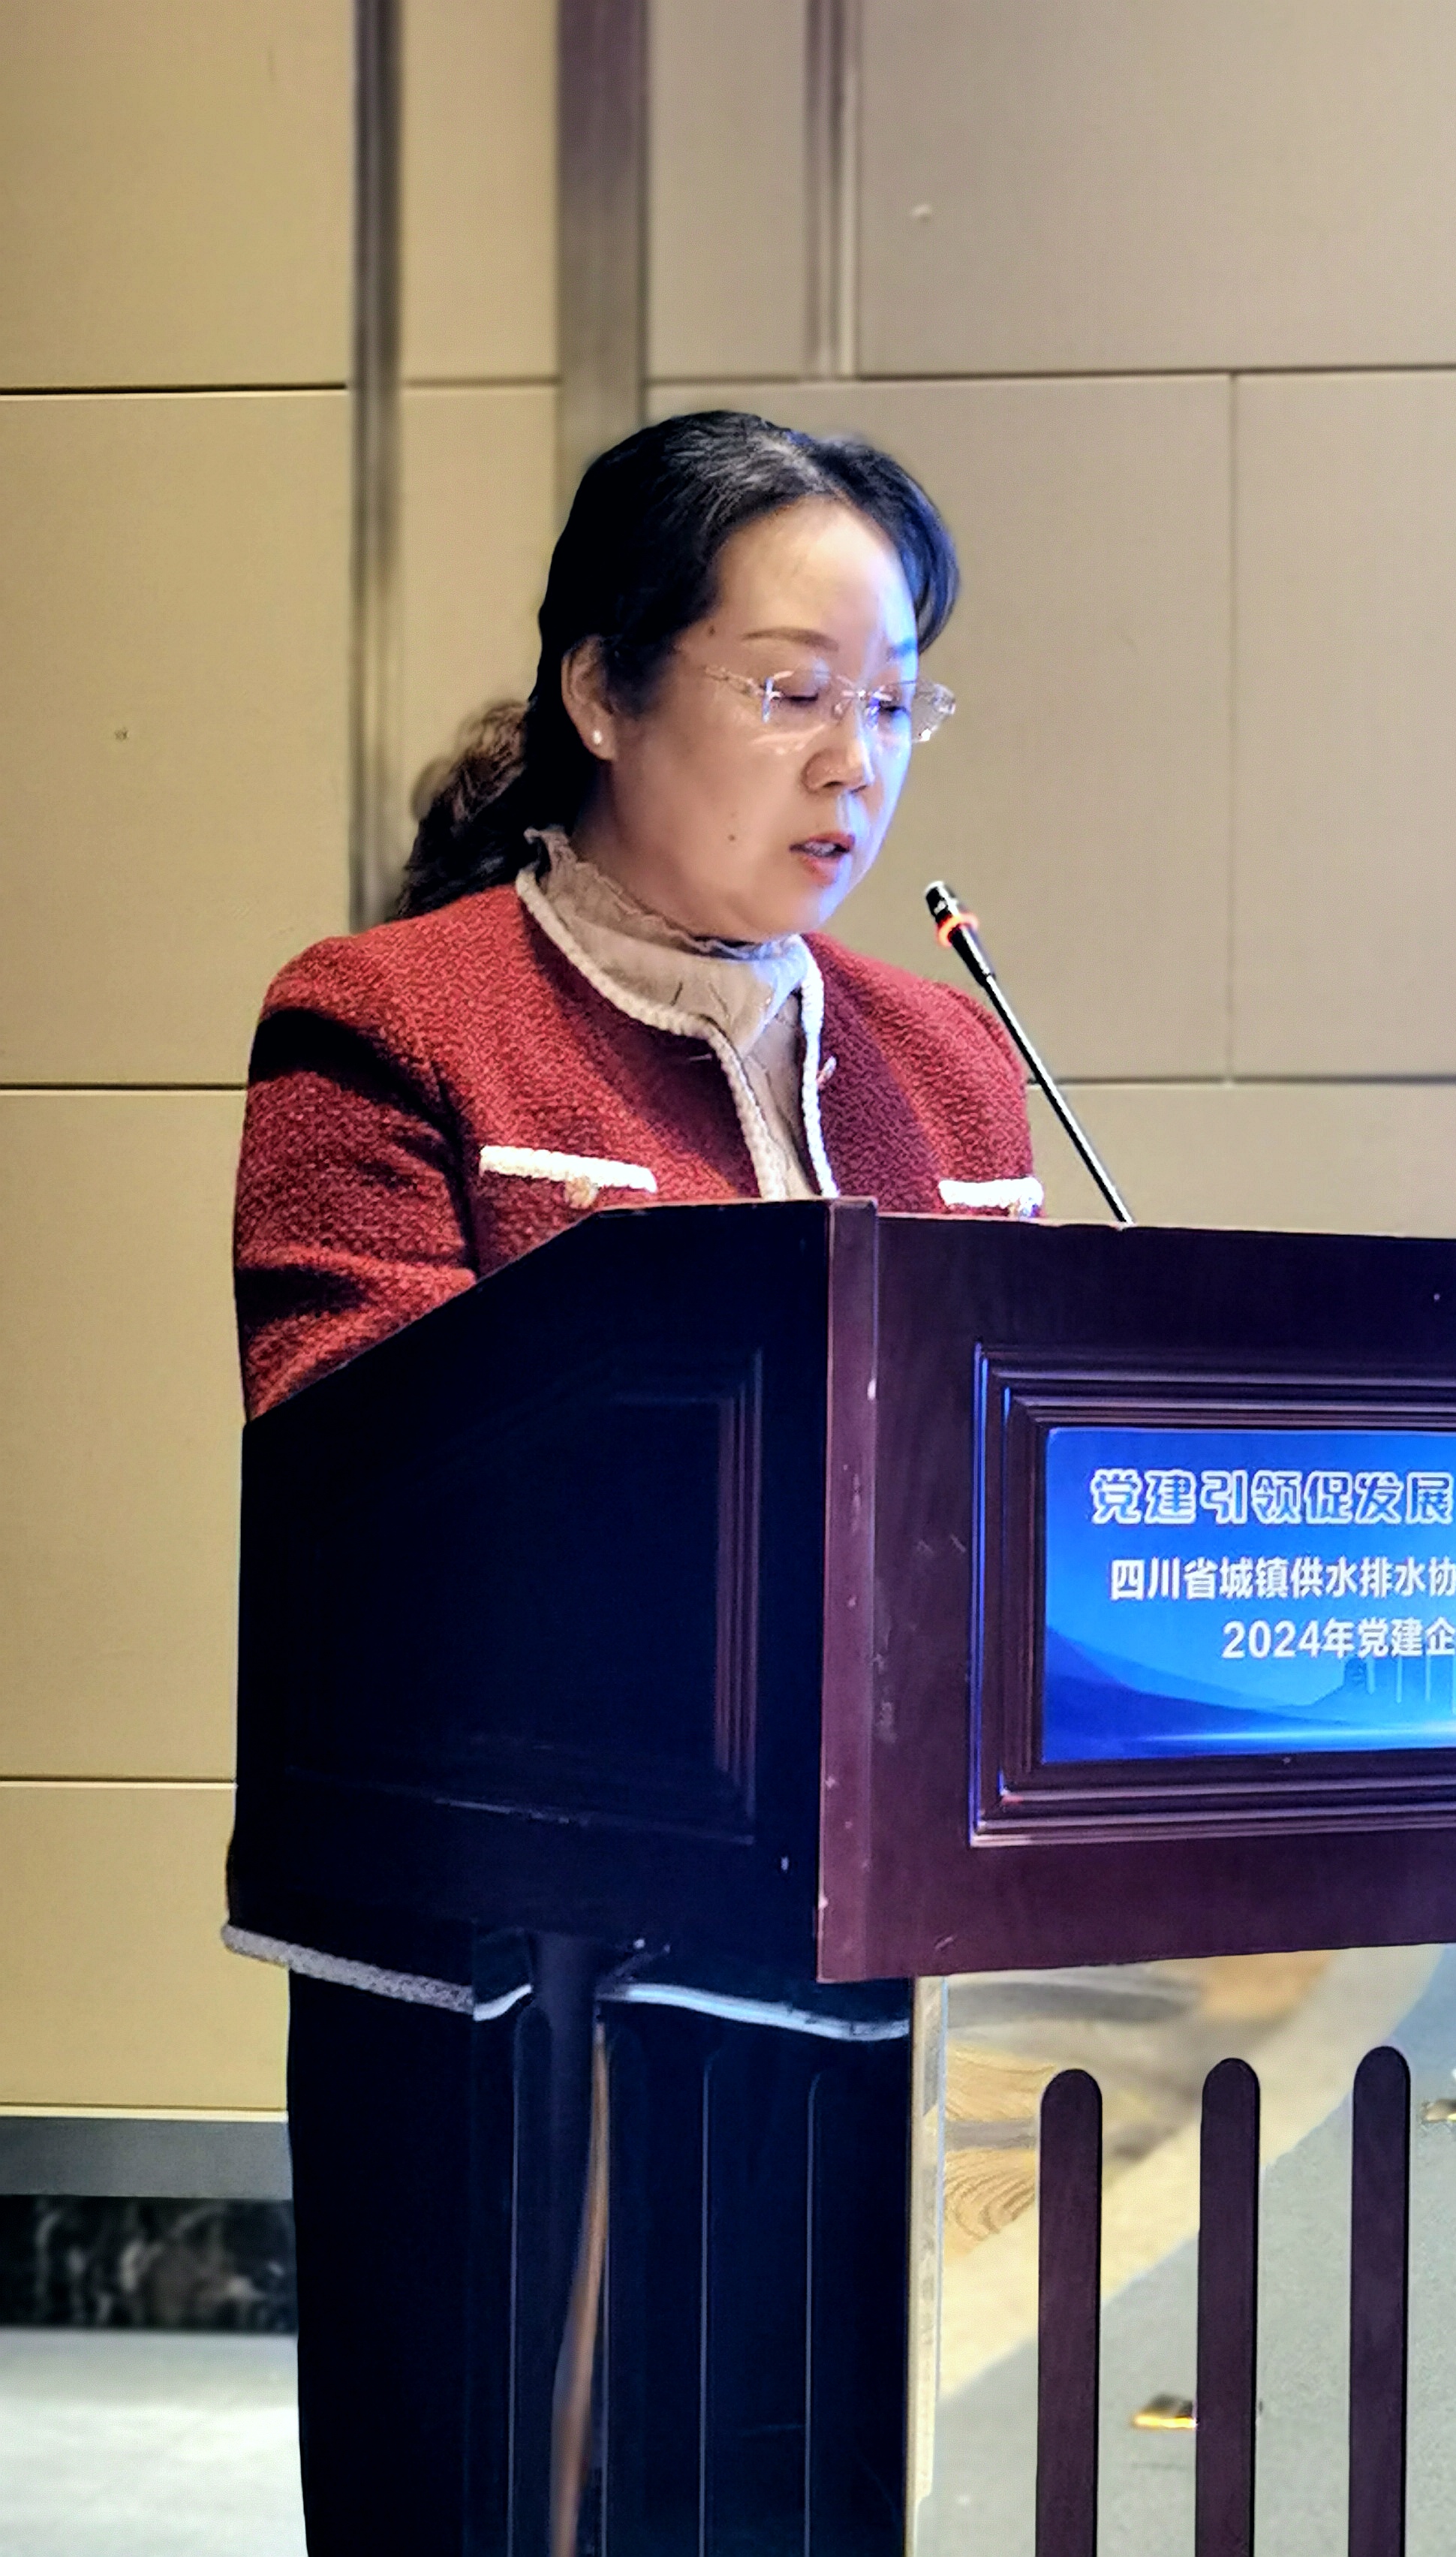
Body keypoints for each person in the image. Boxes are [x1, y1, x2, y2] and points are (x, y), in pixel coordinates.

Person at [229, 410, 1039, 2548]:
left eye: (895, 704)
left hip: (889, 1952)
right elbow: (359, 1459)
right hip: (510, 1966)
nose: (854, 767)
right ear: (602, 689)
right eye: (791, 695)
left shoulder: (953, 1061)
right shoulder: (390, 1023)